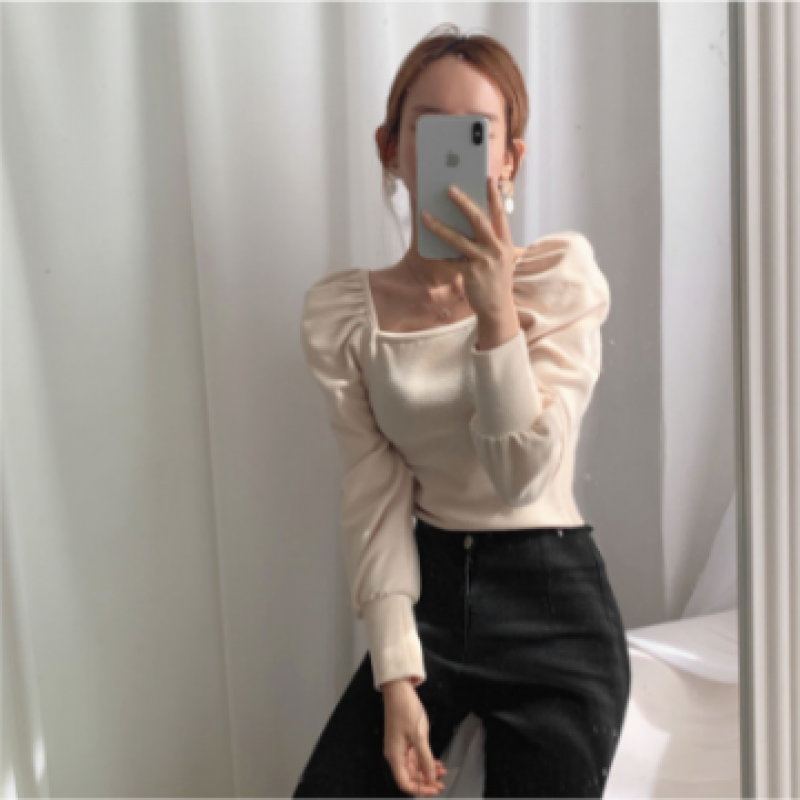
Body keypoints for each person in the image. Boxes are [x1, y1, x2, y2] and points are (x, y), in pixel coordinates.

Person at [293, 23, 629, 799]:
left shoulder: (556, 282)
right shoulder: (347, 316)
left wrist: (496, 314)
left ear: (509, 158)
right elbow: (375, 500)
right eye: (428, 127)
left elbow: (522, 475)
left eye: (478, 133)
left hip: (555, 609)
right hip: (435, 599)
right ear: (391, 147)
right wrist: (395, 677)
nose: (454, 150)